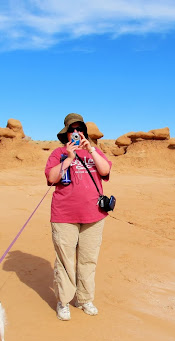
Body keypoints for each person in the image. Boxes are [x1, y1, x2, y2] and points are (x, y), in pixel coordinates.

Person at [45, 113, 112, 321]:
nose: (76, 133)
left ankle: (84, 299)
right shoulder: (58, 153)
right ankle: (64, 301)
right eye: (72, 130)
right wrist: (69, 158)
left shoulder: (94, 152)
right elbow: (51, 177)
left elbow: (106, 170)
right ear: (66, 134)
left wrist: (90, 149)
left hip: (94, 215)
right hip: (64, 215)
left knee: (88, 260)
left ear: (84, 132)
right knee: (65, 261)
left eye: (79, 129)